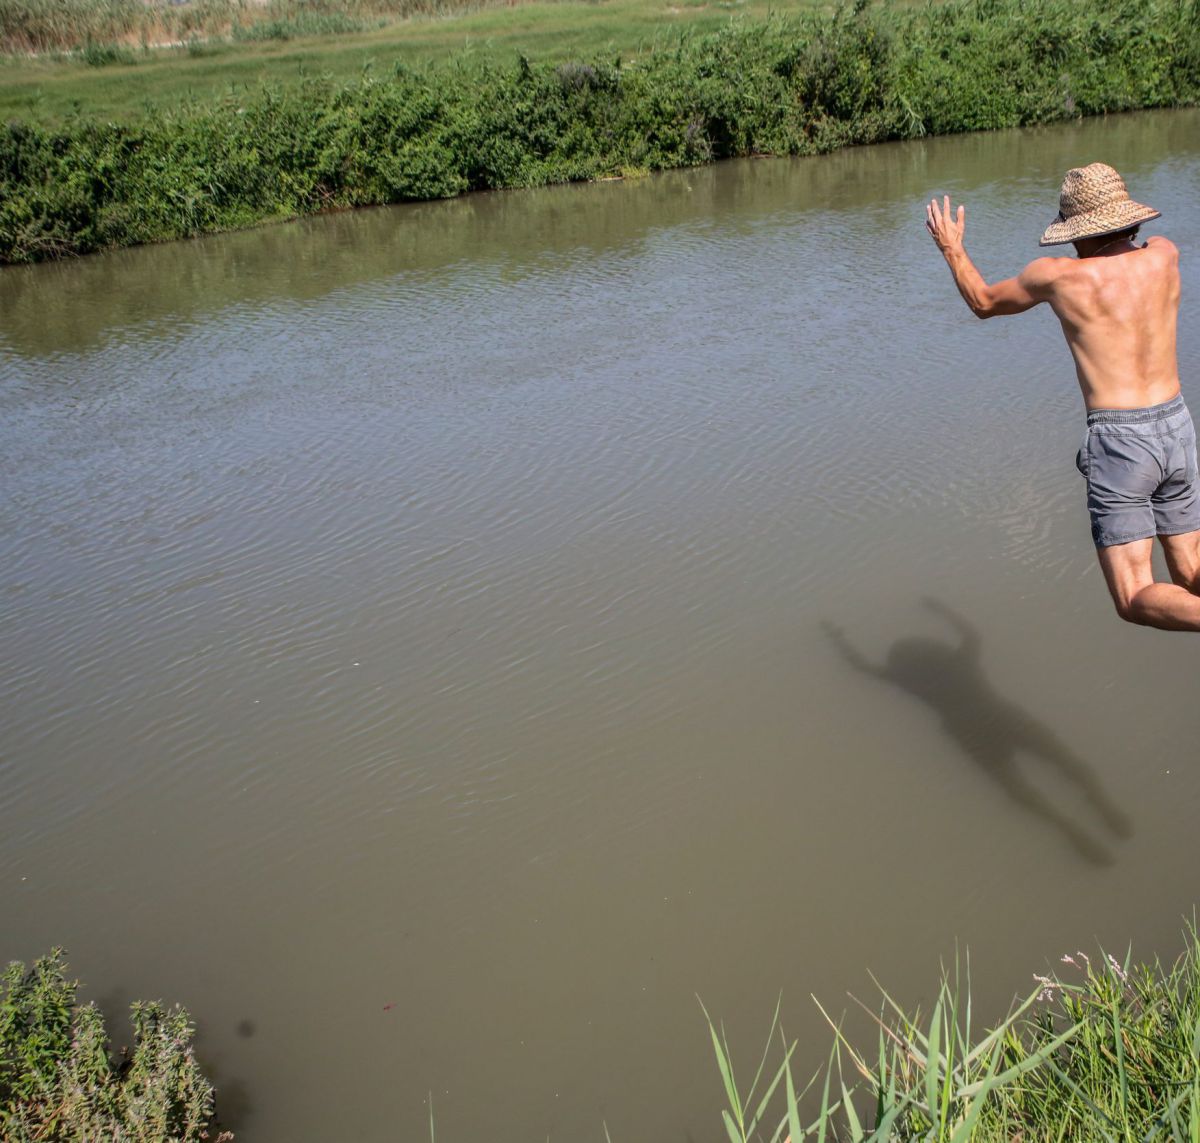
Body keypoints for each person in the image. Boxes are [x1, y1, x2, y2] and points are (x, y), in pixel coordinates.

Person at [925, 162, 1200, 631]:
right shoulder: (1165, 254)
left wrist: (952, 248)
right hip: (1177, 426)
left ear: (1079, 232)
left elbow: (983, 302)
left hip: (1122, 440)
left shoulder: (1057, 277)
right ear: (1129, 217)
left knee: (1134, 593)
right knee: (1191, 572)